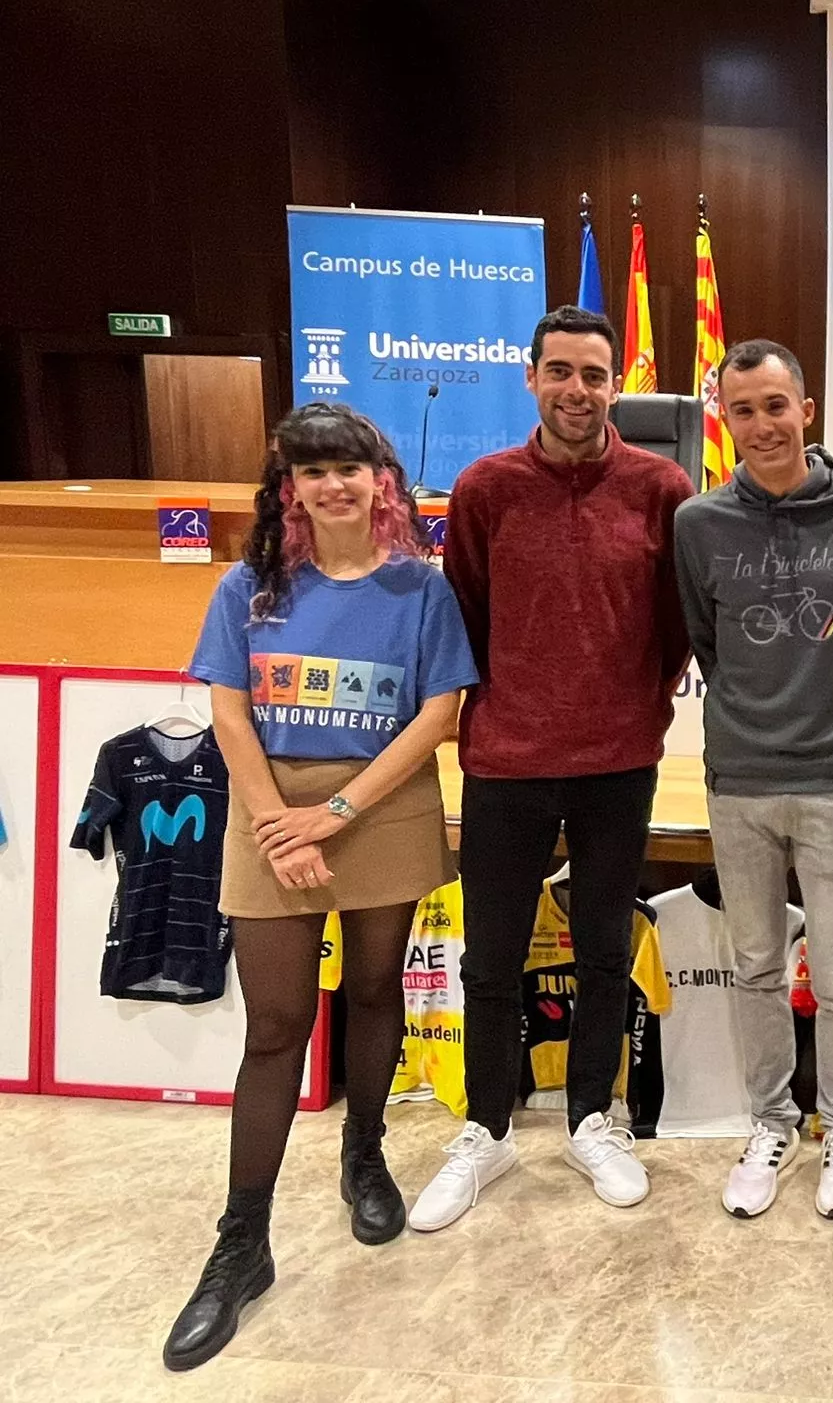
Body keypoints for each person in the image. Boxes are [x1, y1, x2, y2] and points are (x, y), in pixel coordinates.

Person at [165, 404, 476, 1371]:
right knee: (275, 1028)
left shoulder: (420, 589)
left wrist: (336, 816)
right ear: (290, 488)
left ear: (381, 481)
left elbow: (440, 713)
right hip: (273, 812)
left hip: (377, 805)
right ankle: (241, 1242)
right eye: (314, 471)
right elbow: (226, 711)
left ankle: (365, 1154)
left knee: (379, 989)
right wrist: (274, 824)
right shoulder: (249, 587)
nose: (335, 484)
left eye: (351, 467)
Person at [410, 305, 694, 1232]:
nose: (579, 390)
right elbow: (467, 618)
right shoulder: (485, 489)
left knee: (604, 952)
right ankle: (486, 1131)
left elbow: (677, 625)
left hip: (619, 759)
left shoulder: (662, 487)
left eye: (595, 374)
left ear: (617, 385)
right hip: (508, 759)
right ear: (531, 377)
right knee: (491, 960)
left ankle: (590, 1120)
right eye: (561, 371)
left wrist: (636, 705)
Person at [673, 338, 833, 1220]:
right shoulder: (698, 524)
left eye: (776, 406)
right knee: (757, 967)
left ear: (807, 410)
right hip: (739, 780)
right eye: (743, 410)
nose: (762, 425)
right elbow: (706, 639)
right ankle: (771, 1122)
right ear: (725, 421)